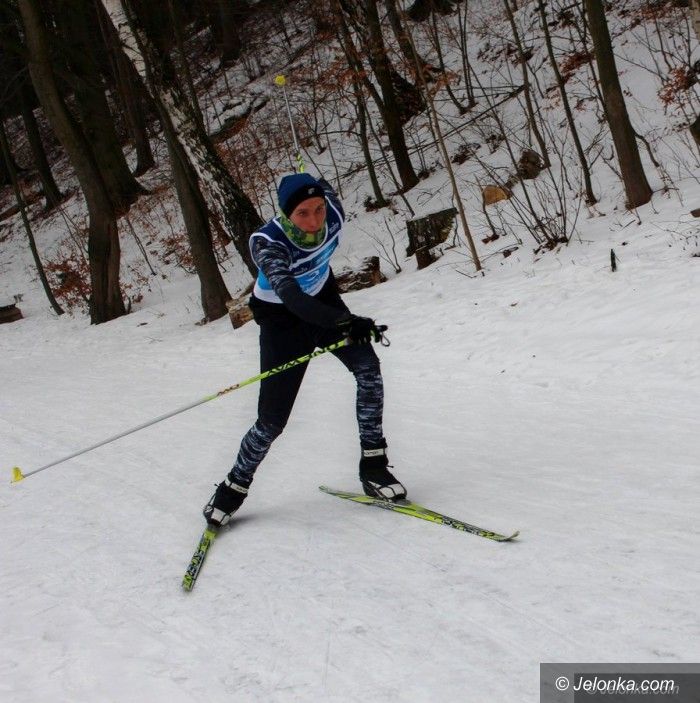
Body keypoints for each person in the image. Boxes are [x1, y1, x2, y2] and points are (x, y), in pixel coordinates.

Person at [203, 173, 406, 527]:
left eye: (318, 210)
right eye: (302, 213)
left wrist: (343, 321)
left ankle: (374, 467)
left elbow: (322, 187)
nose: (314, 221)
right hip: (283, 320)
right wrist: (346, 322)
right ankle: (233, 487)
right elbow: (292, 298)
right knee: (272, 420)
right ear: (285, 214)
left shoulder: (334, 212)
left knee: (368, 370)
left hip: (322, 300)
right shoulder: (268, 243)